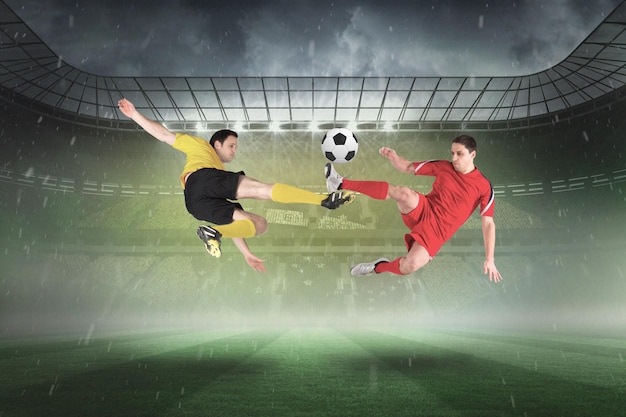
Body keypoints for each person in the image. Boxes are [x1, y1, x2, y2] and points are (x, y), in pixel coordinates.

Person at [118, 98, 354, 272]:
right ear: (217, 144)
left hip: (194, 202)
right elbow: (165, 135)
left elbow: (232, 221)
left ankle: (213, 234)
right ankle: (321, 199)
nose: (234, 150)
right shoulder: (201, 147)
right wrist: (135, 115)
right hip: (202, 178)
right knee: (262, 191)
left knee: (260, 224)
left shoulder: (218, 174)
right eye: (231, 145)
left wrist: (247, 255)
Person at [325, 134, 502, 282]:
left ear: (473, 155)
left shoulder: (484, 186)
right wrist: (394, 157)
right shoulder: (443, 166)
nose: (454, 158)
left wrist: (490, 259)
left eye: (459, 154)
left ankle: (376, 267)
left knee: (409, 265)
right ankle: (340, 183)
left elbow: (488, 224)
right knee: (403, 193)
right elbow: (408, 167)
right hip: (424, 209)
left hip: (436, 233)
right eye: (452, 153)